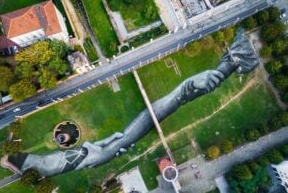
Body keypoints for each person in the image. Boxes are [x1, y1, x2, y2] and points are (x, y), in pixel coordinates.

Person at [15, 29, 259, 177]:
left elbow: (90, 149)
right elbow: (53, 163)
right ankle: (233, 61)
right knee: (181, 92)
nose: (62, 155)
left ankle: (233, 61)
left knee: (181, 93)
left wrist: (103, 143)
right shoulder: (76, 160)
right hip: (123, 139)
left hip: (118, 142)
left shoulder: (81, 156)